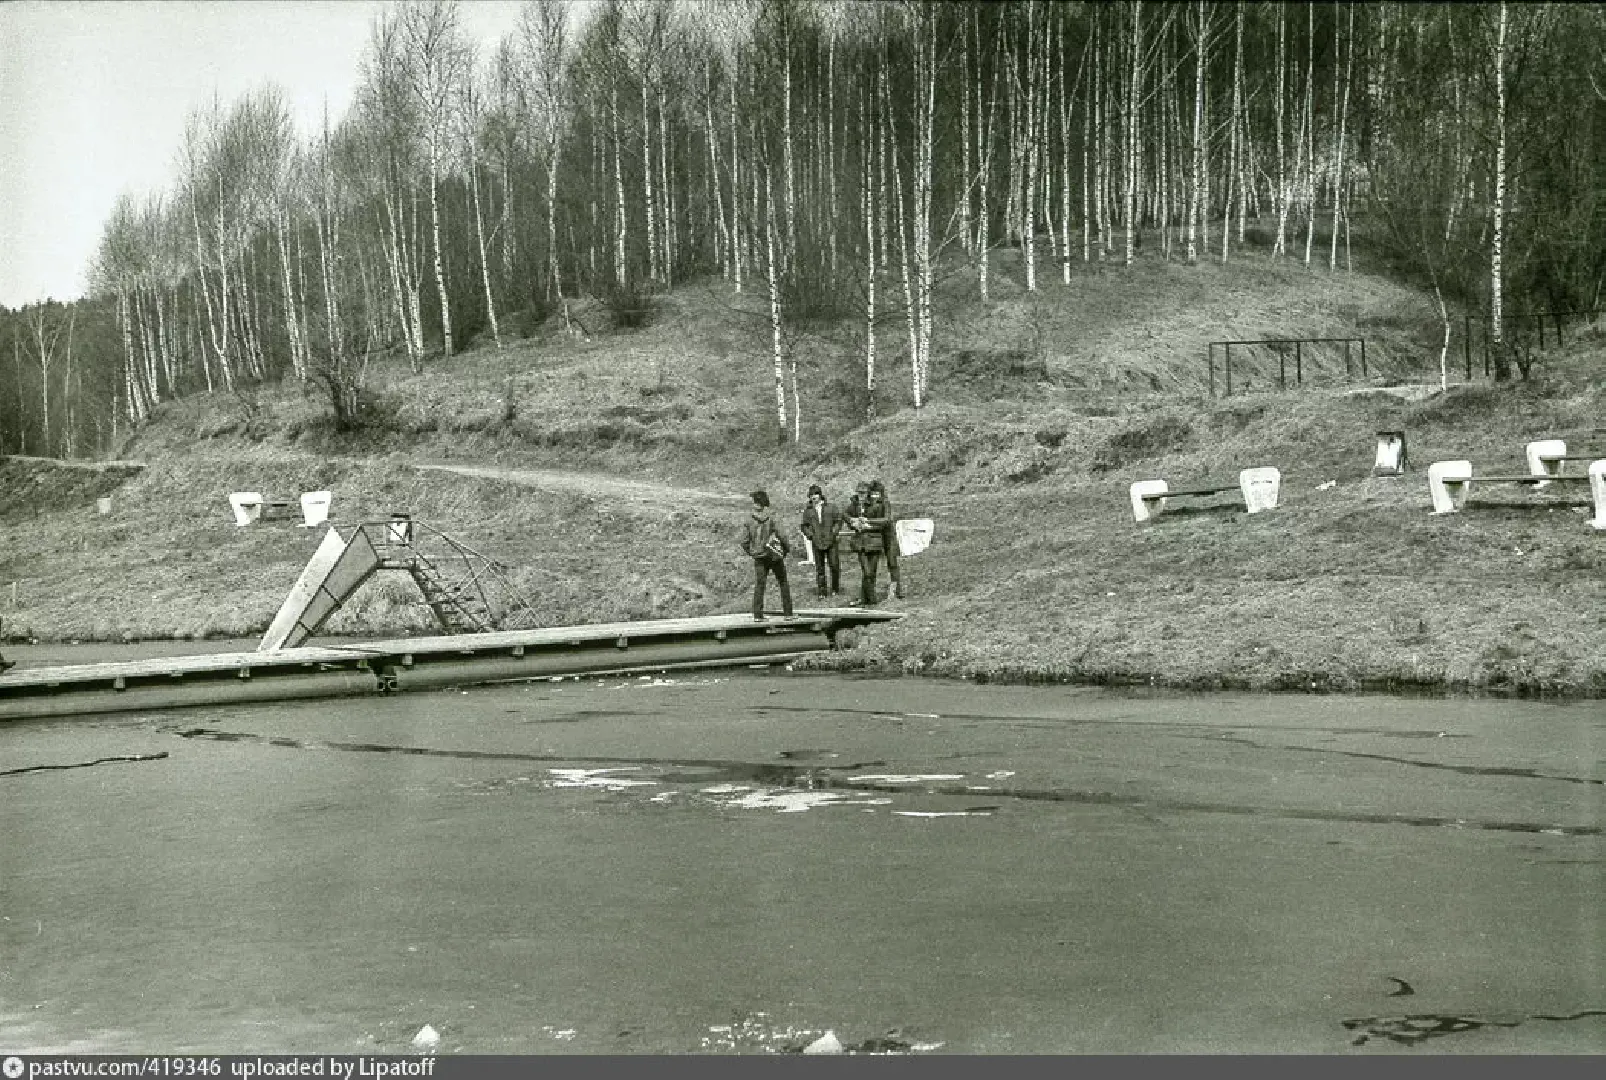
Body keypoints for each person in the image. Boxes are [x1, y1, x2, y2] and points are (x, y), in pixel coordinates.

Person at [739, 489, 793, 620]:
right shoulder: (772, 517)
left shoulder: (749, 520)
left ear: (755, 503)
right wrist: (786, 550)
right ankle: (788, 614)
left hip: (759, 556)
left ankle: (758, 615)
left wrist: (752, 552)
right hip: (774, 556)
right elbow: (782, 535)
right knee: (783, 582)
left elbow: (743, 541)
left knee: (760, 585)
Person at [845, 479, 888, 606]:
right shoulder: (854, 505)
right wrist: (853, 522)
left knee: (871, 573)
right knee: (867, 572)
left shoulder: (876, 505)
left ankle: (866, 599)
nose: (861, 496)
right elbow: (844, 515)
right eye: (859, 493)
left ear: (868, 493)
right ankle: (872, 600)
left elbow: (884, 522)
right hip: (860, 543)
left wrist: (868, 523)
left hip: (874, 542)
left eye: (863, 493)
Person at [799, 483, 843, 599]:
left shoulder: (831, 507)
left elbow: (838, 520)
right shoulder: (808, 511)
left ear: (820, 495)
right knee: (820, 568)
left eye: (816, 494)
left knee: (834, 565)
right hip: (817, 542)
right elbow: (804, 526)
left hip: (831, 541)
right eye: (811, 495)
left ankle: (835, 588)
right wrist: (811, 536)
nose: (814, 497)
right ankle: (822, 591)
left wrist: (834, 532)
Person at [869, 478, 905, 600]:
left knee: (892, 562)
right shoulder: (868, 504)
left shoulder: (885, 503)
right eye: (873, 493)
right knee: (872, 565)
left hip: (888, 536)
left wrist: (869, 521)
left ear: (881, 493)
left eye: (877, 493)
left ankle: (897, 590)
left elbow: (887, 520)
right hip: (876, 536)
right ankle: (870, 593)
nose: (875, 496)